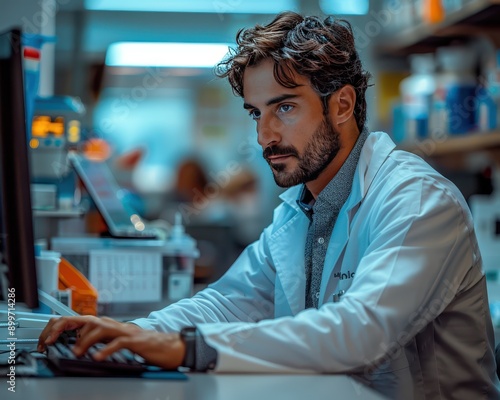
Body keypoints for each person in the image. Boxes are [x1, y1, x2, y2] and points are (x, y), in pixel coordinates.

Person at [38, 11, 499, 399]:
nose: (265, 136)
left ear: (341, 105)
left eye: (285, 108)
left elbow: (362, 330)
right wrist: (134, 332)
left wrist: (186, 348)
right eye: (257, 113)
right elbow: (225, 304)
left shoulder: (416, 200)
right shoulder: (298, 211)